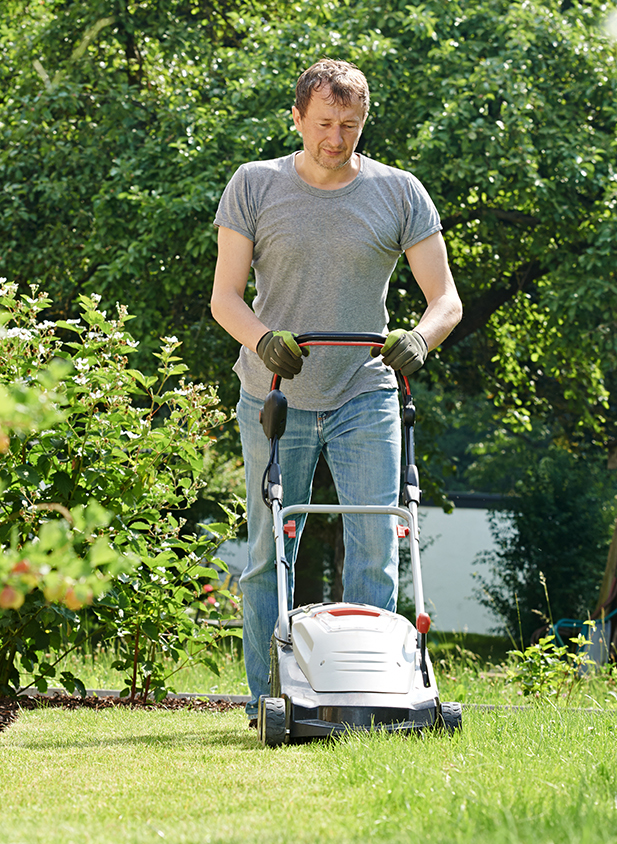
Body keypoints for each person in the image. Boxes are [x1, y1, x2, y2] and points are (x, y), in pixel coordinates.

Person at [208, 58, 463, 725]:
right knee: (270, 552)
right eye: (324, 123)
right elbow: (225, 298)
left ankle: (366, 698)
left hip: (365, 389)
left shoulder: (399, 192)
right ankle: (271, 697)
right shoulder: (253, 185)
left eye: (350, 124)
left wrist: (421, 339)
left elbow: (446, 301)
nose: (336, 138)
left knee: (375, 545)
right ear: (296, 117)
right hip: (275, 394)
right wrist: (263, 339)